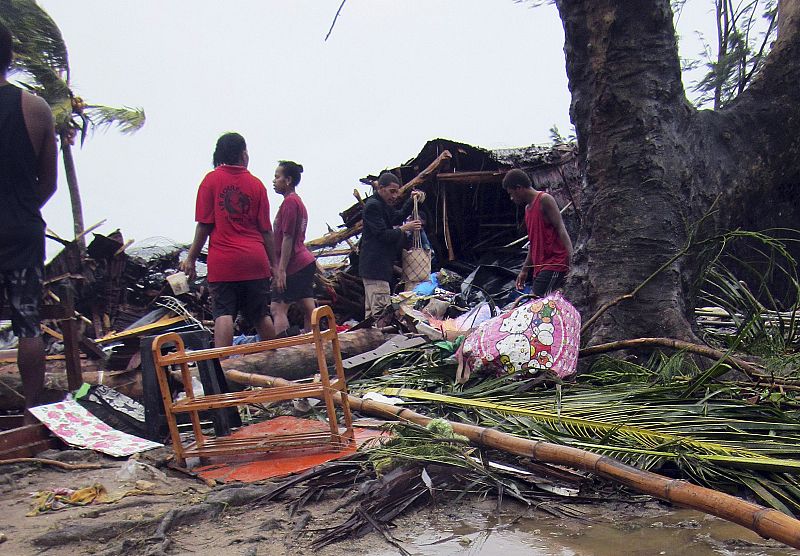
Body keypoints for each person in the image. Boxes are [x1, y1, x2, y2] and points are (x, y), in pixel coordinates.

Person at [0, 23, 58, 416]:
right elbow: (49, 182)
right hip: (21, 231)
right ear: (11, 57)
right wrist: (20, 207)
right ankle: (32, 410)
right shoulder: (34, 108)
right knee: (27, 324)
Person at [180, 132, 277, 348]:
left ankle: (223, 368)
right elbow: (266, 231)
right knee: (261, 315)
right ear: (243, 154)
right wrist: (276, 265)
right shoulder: (257, 185)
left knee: (223, 314)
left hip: (224, 262)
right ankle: (278, 358)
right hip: (254, 261)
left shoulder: (211, 181)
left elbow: (204, 225)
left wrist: (191, 259)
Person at [358, 171, 424, 319]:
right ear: (381, 188)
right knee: (381, 313)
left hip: (375, 268)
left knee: (372, 316)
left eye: (396, 192)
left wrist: (413, 201)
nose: (394, 196)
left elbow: (396, 217)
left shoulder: (381, 204)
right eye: (391, 191)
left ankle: (371, 339)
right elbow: (382, 235)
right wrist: (404, 228)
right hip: (376, 268)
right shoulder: (373, 206)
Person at [503, 169, 573, 297]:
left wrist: (572, 260)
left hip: (554, 263)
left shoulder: (544, 200)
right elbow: (533, 242)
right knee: (542, 305)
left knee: (536, 303)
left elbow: (561, 229)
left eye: (511, 193)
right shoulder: (527, 209)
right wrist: (524, 270)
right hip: (540, 267)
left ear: (519, 188)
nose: (511, 198)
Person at [270, 160, 317, 335]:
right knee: (307, 304)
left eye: (277, 177)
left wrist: (281, 270)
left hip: (294, 263)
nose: (274, 181)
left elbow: (288, 237)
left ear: (288, 180)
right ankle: (314, 340)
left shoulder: (290, 202)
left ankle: (283, 350)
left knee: (277, 307)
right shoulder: (297, 202)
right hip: (305, 261)